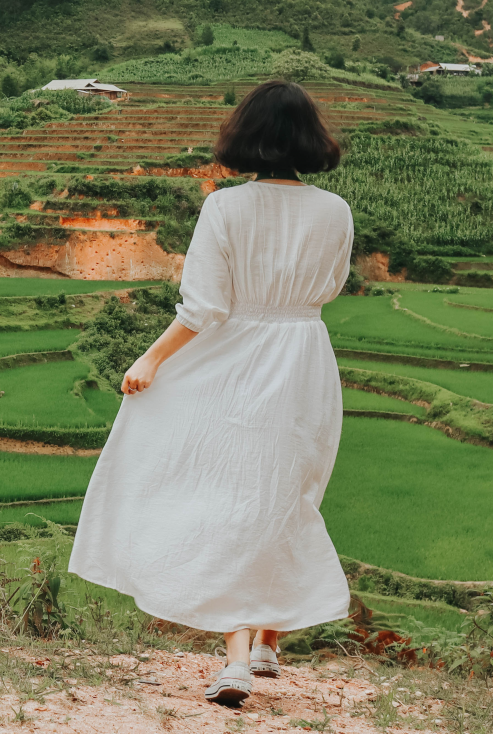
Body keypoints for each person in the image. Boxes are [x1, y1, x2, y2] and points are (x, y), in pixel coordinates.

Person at [68, 79, 354, 706]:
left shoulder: (224, 208)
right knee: (291, 488)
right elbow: (329, 288)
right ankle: (266, 643)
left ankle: (237, 664)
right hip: (306, 357)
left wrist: (150, 358)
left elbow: (203, 308)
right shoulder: (336, 212)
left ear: (246, 136)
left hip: (238, 363)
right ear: (311, 138)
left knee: (233, 495)